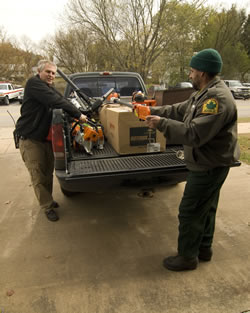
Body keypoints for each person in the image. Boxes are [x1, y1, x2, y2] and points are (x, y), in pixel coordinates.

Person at [144, 48, 240, 271]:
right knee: (206, 207)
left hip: (208, 166)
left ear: (203, 73)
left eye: (192, 71)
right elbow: (180, 109)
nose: (189, 75)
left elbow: (194, 134)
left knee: (190, 211)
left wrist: (160, 124)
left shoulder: (216, 99)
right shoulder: (205, 92)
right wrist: (153, 109)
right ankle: (204, 248)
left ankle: (187, 257)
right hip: (210, 162)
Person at [15, 60, 87, 222]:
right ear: (39, 72)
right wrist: (78, 115)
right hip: (31, 139)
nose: (51, 75)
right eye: (48, 72)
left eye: (54, 73)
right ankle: (47, 206)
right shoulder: (34, 84)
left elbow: (63, 100)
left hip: (46, 139)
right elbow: (56, 101)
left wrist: (79, 110)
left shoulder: (49, 88)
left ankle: (49, 200)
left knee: (47, 172)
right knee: (38, 175)